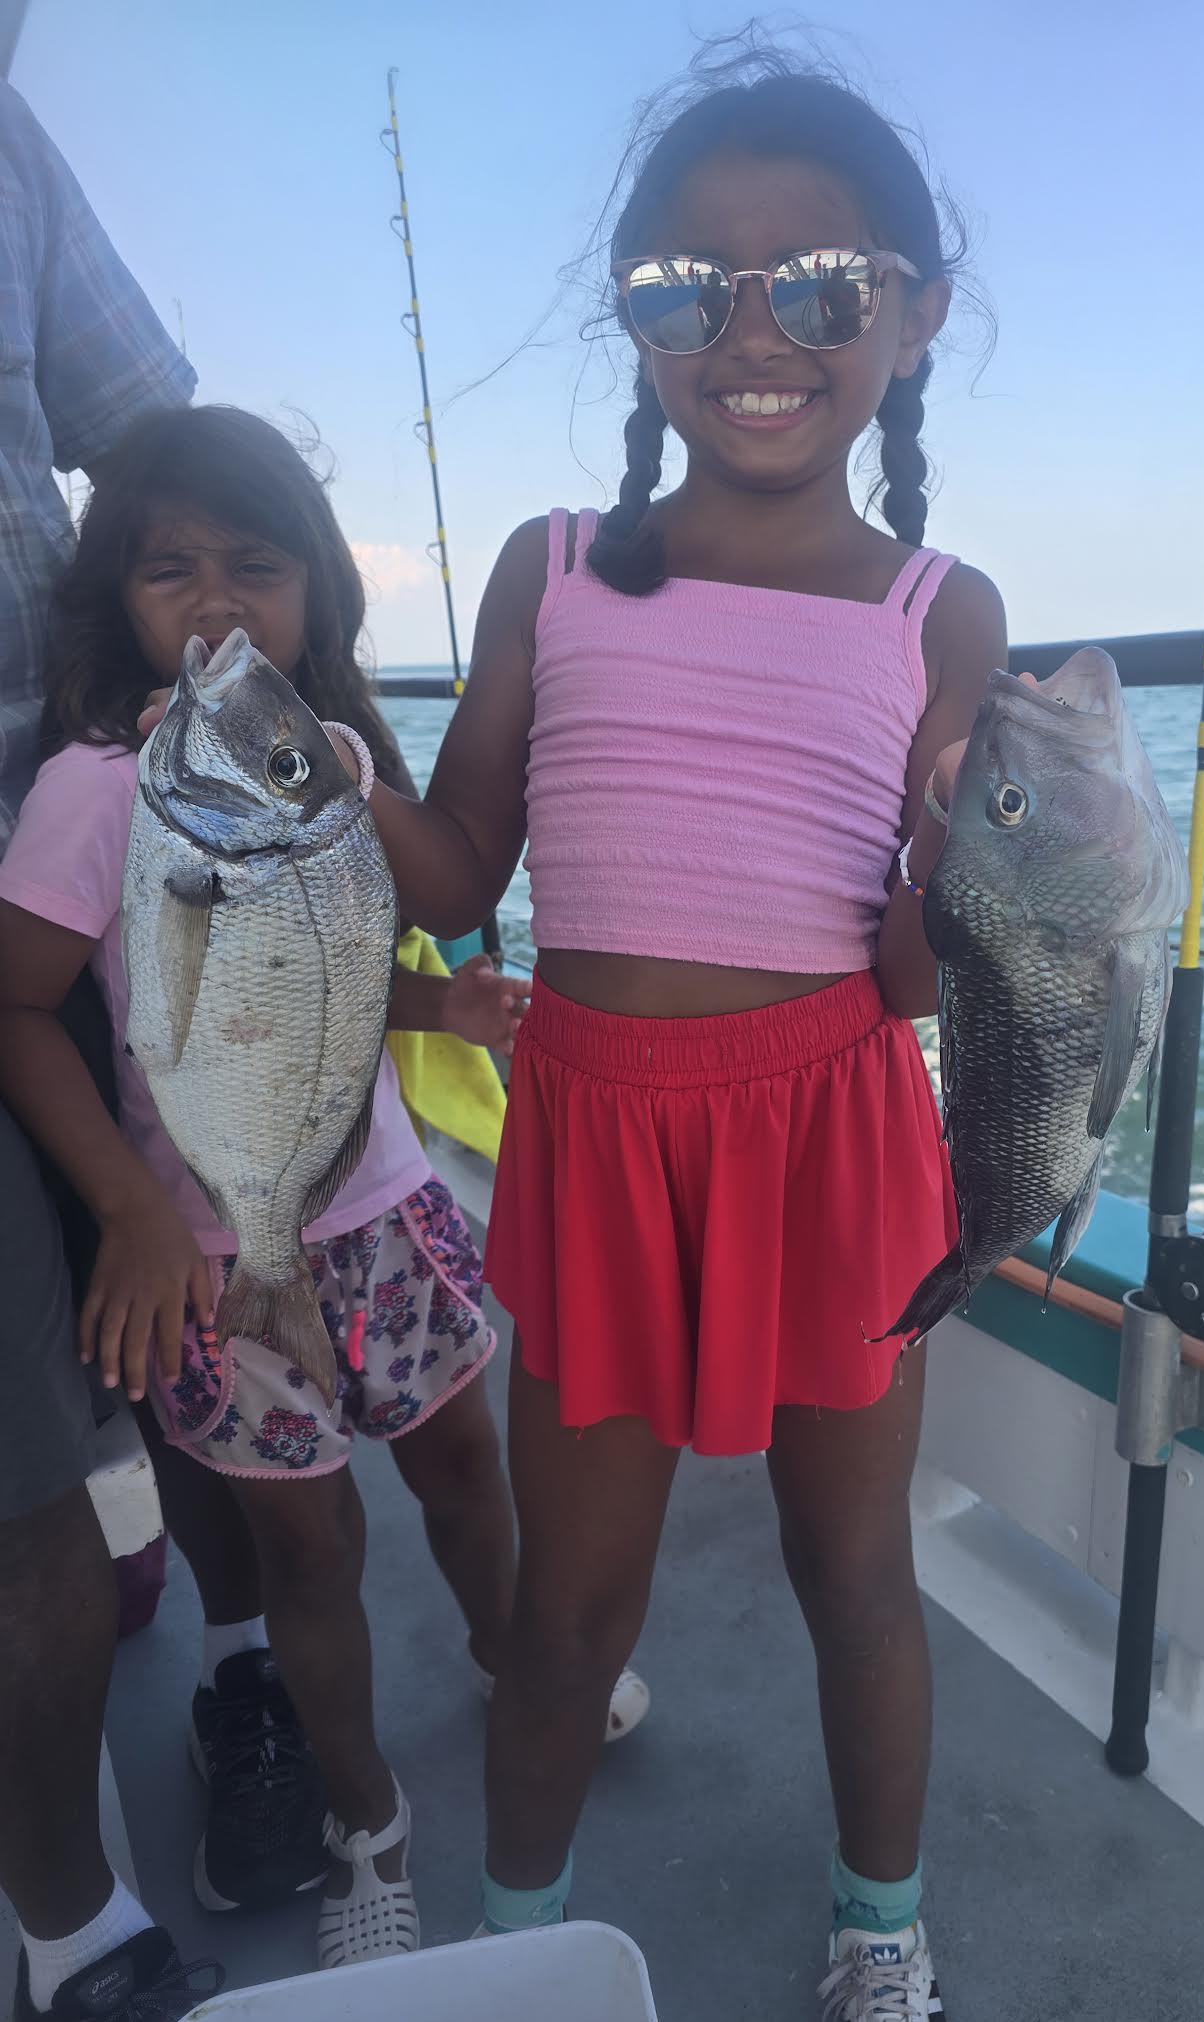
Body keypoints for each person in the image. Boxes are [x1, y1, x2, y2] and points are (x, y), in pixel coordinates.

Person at [327, 50, 1013, 2020]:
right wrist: (334, 766)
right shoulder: (550, 566)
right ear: (631, 320)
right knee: (565, 1606)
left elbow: (908, 979)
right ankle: (512, 1944)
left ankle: (879, 1928)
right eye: (687, 289)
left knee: (853, 1574)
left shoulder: (943, 610)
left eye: (821, 285)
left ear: (912, 317)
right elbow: (463, 867)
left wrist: (967, 872)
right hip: (601, 1132)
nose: (754, 334)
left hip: (837, 1132)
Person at [0, 403, 647, 1976]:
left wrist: (438, 997)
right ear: (113, 594)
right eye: (169, 570)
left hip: (392, 1215)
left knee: (469, 1470)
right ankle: (367, 1816)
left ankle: (509, 1652)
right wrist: (133, 1208)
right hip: (223, 1256)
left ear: (317, 591)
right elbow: (17, 1003)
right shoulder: (95, 790)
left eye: (257, 565)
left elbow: (349, 951)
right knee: (308, 1551)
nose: (215, 602)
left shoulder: (332, 760)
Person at [0, 78, 226, 2022]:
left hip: (62, 824)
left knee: (141, 1315)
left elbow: (145, 423)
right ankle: (66, 1907)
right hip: (50, 896)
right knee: (31, 1462)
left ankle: (215, 1623)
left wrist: (220, 647)